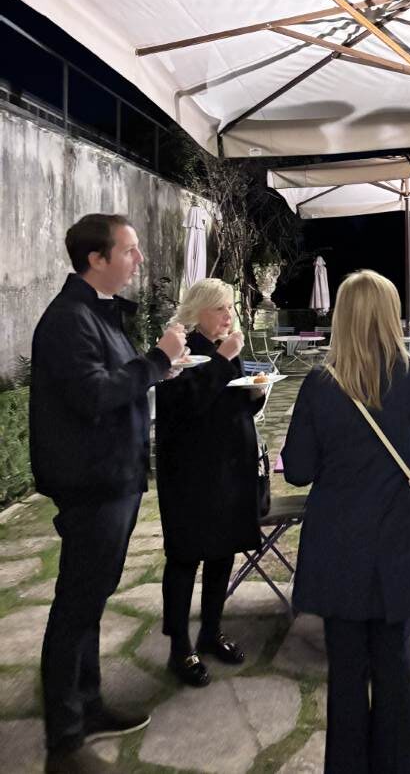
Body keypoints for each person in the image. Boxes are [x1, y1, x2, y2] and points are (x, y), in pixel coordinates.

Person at [29, 214, 187, 774]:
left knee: (92, 600)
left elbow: (118, 382)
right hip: (91, 483)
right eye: (129, 250)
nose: (138, 259)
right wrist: (158, 360)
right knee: (76, 607)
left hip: (112, 479)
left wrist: (157, 371)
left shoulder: (96, 313)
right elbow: (94, 395)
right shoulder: (68, 320)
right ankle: (64, 742)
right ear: (96, 259)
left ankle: (88, 703)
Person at [282, 270, 410, 774]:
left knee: (347, 669)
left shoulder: (319, 383)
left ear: (341, 318)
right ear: (390, 315)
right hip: (401, 535)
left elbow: (298, 469)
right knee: (395, 662)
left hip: (339, 540)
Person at [155, 278, 267, 686]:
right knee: (185, 558)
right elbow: (186, 406)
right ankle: (179, 647)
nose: (228, 316)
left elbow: (231, 403)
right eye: (220, 308)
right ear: (198, 310)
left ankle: (211, 631)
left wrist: (256, 395)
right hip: (191, 475)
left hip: (229, 470)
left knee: (223, 552)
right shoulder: (181, 349)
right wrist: (223, 358)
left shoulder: (225, 348)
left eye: (230, 308)